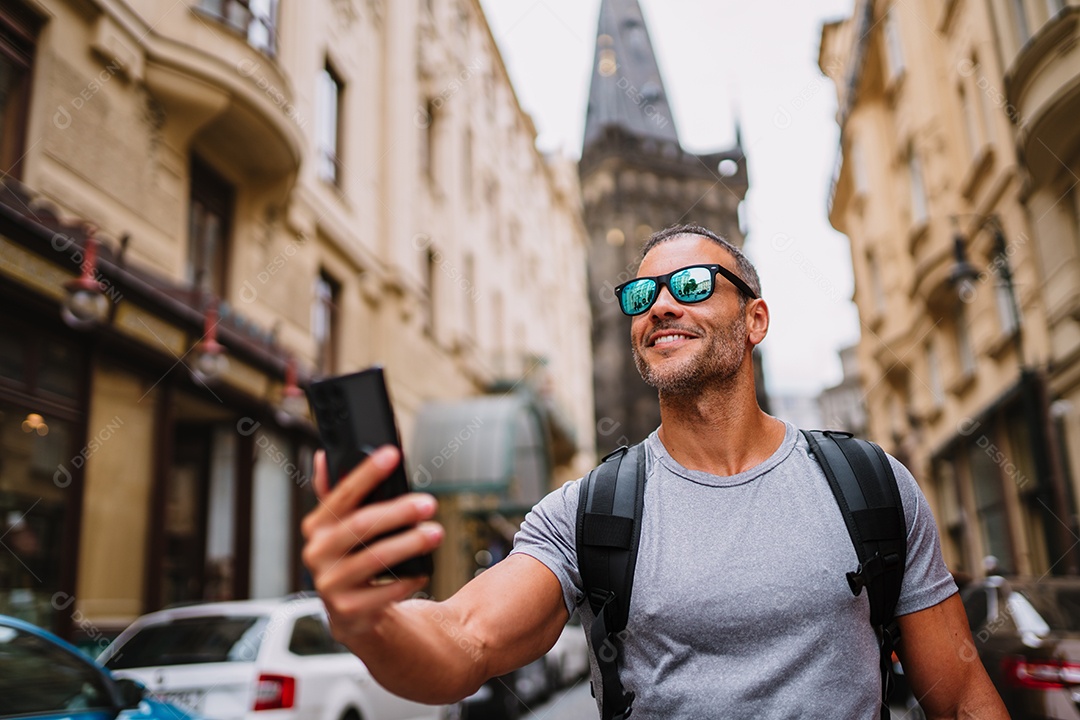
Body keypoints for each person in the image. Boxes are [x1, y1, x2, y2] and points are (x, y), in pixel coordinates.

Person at [301, 225, 1008, 718]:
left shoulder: (868, 484)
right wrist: (370, 620)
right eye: (641, 297)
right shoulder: (588, 512)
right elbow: (466, 640)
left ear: (754, 319)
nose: (660, 305)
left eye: (692, 284)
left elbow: (962, 693)